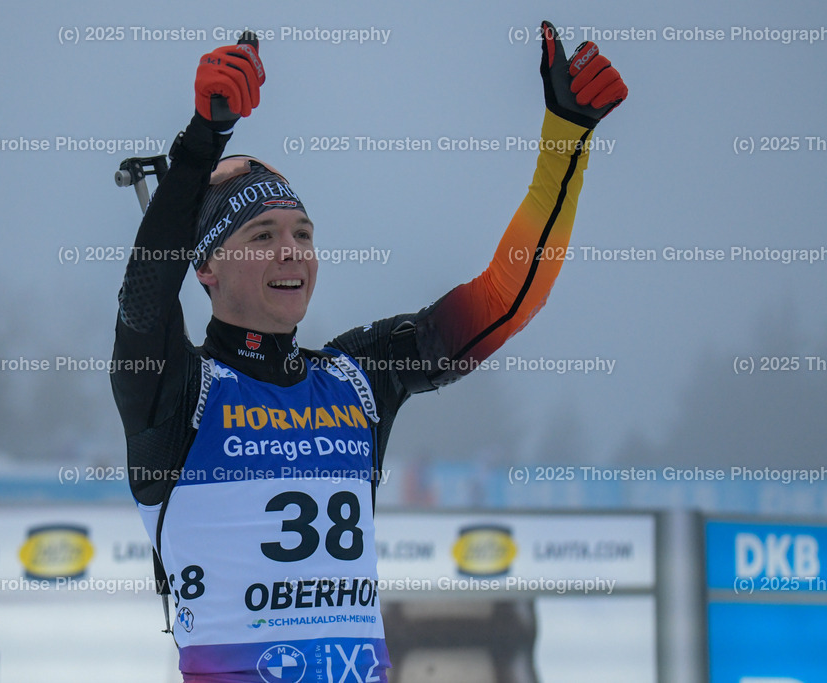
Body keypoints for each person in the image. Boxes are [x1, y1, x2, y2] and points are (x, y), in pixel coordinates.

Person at [111, 22, 627, 683]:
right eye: (262, 235)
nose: (291, 250)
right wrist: (200, 144)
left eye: (302, 232)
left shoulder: (356, 379)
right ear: (206, 267)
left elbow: (506, 297)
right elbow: (144, 300)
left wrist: (567, 137)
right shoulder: (177, 391)